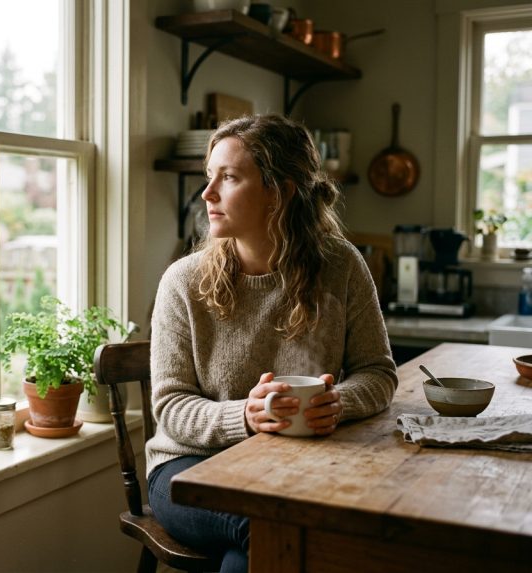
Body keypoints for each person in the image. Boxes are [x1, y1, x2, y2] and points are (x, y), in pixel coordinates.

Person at [146, 114, 398, 573]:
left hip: (295, 469)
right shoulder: (183, 282)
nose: (207, 194)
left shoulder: (342, 267)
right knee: (269, 526)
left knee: (271, 541)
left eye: (229, 177)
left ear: (278, 192)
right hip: (188, 469)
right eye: (209, 177)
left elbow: (378, 373)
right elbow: (169, 406)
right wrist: (244, 415)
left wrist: (337, 403)